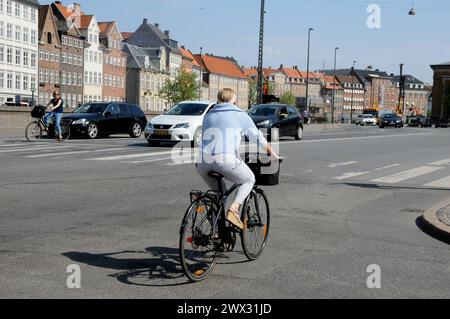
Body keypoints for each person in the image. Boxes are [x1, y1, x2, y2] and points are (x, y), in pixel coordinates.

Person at [196, 88, 280, 230]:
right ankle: (234, 209)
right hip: (225, 160)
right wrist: (272, 153)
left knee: (220, 194)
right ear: (235, 101)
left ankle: (217, 232)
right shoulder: (239, 114)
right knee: (249, 179)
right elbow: (256, 137)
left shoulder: (209, 115)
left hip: (202, 162)